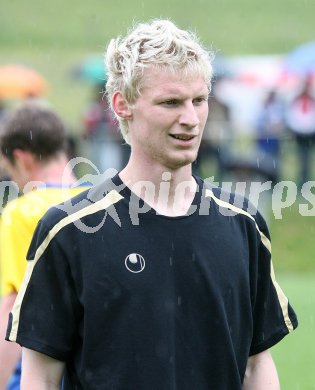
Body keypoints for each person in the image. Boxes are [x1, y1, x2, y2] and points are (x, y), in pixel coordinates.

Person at [6, 20, 297, 389]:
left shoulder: (243, 223)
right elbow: (41, 379)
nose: (190, 119)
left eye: (199, 100)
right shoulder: (67, 231)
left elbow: (257, 366)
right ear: (122, 105)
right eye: (171, 102)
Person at [0, 102, 88, 389]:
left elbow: (15, 306)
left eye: (8, 170)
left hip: (36, 366)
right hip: (88, 362)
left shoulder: (22, 212)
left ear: (21, 158)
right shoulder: (101, 203)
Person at [285, 76, 315, 188]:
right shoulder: (296, 101)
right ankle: (303, 183)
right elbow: (292, 117)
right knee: (303, 159)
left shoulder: (312, 101)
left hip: (311, 134)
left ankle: (306, 182)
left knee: (306, 160)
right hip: (300, 134)